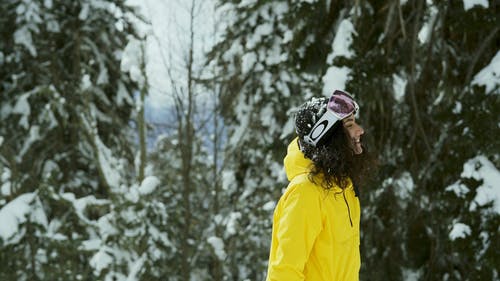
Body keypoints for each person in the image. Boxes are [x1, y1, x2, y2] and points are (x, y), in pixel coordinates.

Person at [266, 90, 375, 281]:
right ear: (328, 136)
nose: (359, 131)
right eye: (349, 125)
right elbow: (284, 272)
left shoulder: (343, 188)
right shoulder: (306, 192)